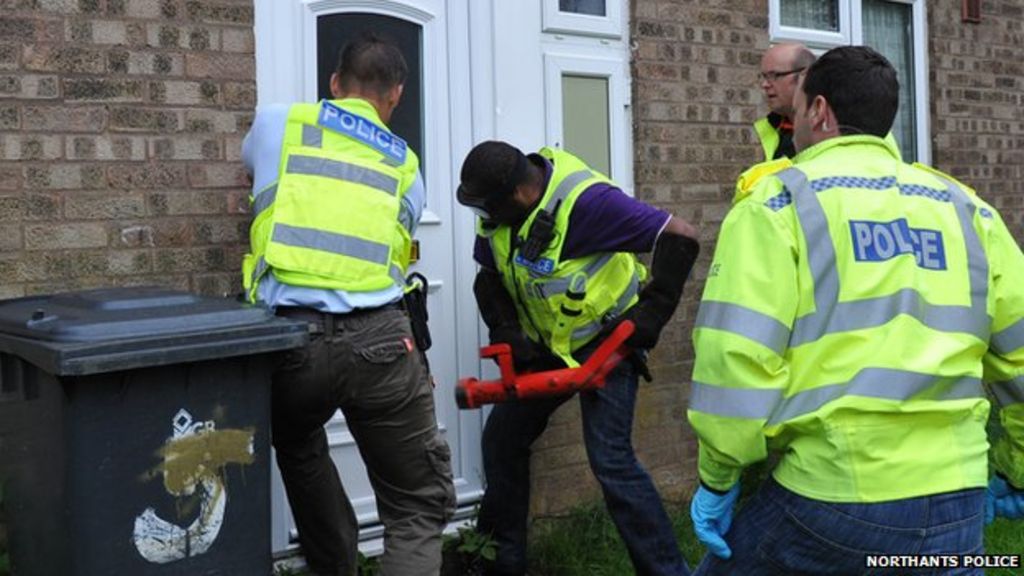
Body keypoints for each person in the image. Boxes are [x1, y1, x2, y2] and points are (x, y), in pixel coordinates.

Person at [687, 45, 1024, 575]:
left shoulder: (777, 206)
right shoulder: (967, 210)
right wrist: (1017, 470)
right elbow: (1021, 357)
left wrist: (718, 477)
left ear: (820, 112)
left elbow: (735, 362)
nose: (789, 124)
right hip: (957, 492)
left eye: (795, 110)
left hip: (833, 491)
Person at [241, 33, 455, 576]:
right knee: (414, 504)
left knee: (296, 441)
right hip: (380, 341)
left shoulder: (278, 123)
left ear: (334, 85)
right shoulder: (405, 164)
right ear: (396, 95)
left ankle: (334, 564)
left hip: (291, 342)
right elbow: (398, 241)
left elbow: (253, 170)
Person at [456, 141, 700, 576]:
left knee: (611, 462)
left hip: (608, 344)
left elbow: (678, 236)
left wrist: (651, 313)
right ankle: (501, 562)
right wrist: (507, 331)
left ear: (517, 196)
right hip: (549, 345)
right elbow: (489, 278)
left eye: (484, 209)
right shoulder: (500, 212)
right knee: (502, 441)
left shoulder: (589, 204)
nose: (482, 219)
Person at [753, 43, 817, 161]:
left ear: (805, 75)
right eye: (764, 76)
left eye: (774, 75)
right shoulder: (774, 127)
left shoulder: (827, 130)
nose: (765, 85)